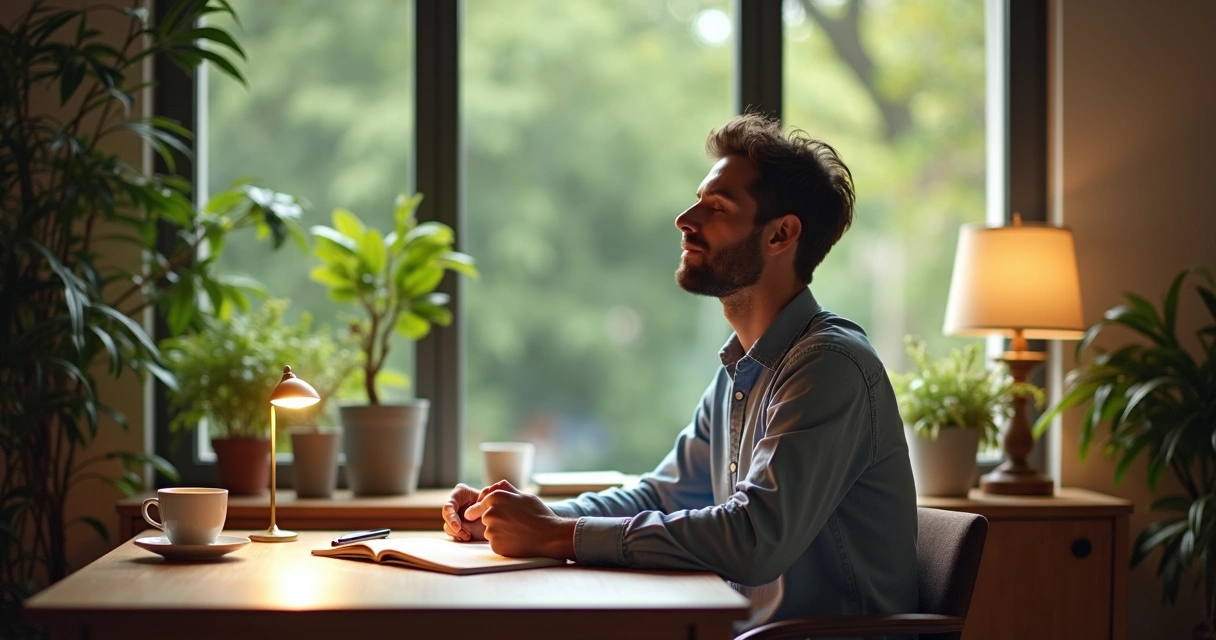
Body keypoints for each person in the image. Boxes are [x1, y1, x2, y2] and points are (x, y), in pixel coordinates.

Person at [443, 113, 918, 631]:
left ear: (781, 234)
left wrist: (559, 534)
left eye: (717, 207)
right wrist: (521, 514)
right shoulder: (741, 369)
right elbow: (663, 494)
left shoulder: (829, 367)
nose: (685, 218)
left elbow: (754, 538)